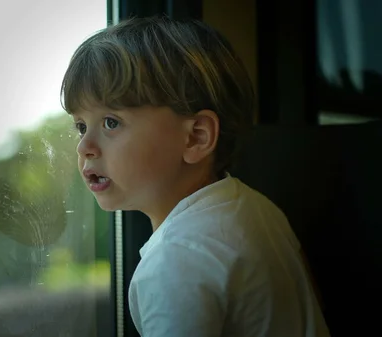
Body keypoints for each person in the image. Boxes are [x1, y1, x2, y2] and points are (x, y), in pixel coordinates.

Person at [60, 16, 330, 337]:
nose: (84, 147)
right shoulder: (259, 210)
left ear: (196, 138)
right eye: (80, 126)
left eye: (111, 123)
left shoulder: (175, 261)